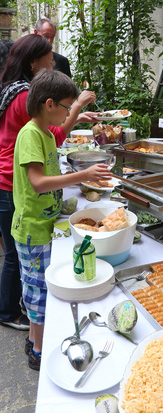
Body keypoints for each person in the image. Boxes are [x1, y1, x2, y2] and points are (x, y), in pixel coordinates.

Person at [11, 69, 111, 370]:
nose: (70, 113)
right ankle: (39, 350)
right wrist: (82, 175)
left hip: (43, 227)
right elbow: (39, 182)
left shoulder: (42, 133)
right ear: (50, 104)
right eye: (67, 107)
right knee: (39, 292)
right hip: (33, 231)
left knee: (36, 287)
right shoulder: (30, 135)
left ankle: (33, 338)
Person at [0, 34, 96, 331]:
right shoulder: (22, 99)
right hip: (11, 183)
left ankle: (23, 311)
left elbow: (50, 131)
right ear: (33, 62)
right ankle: (11, 313)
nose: (52, 60)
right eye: (48, 56)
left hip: (14, 184)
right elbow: (53, 136)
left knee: (19, 259)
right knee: (18, 260)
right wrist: (76, 107)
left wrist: (73, 115)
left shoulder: (21, 93)